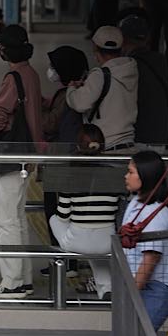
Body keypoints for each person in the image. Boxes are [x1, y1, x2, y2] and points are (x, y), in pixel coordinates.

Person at [0, 25, 45, 299]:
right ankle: (23, 278)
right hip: (27, 153)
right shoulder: (31, 74)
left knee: (5, 219)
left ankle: (12, 283)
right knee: (17, 217)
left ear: (5, 49)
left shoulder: (13, 77)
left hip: (9, 154)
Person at [48, 124, 119, 301]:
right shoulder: (115, 173)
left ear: (78, 146)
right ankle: (105, 288)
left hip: (78, 242)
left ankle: (102, 285)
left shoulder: (71, 175)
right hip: (108, 240)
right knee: (98, 252)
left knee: (54, 219)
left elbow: (64, 215)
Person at [40, 45, 90, 278]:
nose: (50, 71)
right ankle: (66, 260)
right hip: (70, 160)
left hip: (61, 161)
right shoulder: (77, 91)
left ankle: (64, 262)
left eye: (54, 66)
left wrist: (34, 110)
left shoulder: (67, 96)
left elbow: (50, 124)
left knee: (56, 211)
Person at [122, 150, 168, 331]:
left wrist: (131, 294)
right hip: (141, 284)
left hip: (155, 287)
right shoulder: (135, 203)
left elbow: (150, 259)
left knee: (138, 334)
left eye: (131, 172)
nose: (126, 176)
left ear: (145, 175)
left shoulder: (157, 214)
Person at [66, 26, 139, 151]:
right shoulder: (131, 69)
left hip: (106, 144)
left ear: (94, 47)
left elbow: (80, 103)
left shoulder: (100, 75)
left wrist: (71, 89)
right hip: (128, 144)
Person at [120, 14, 168, 145]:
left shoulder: (127, 66)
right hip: (161, 134)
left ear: (122, 39)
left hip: (139, 136)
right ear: (147, 38)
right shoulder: (160, 61)